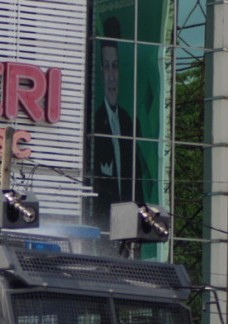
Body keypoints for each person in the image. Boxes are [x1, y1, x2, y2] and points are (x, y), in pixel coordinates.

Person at [90, 16, 146, 226]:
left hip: (130, 220)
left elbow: (136, 174)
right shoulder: (95, 121)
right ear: (101, 72)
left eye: (115, 66)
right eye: (107, 67)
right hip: (104, 220)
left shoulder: (127, 120)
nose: (112, 75)